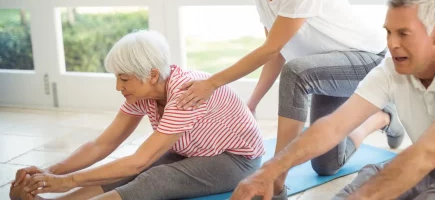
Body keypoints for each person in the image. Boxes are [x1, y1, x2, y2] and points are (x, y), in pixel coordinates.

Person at [176, 0, 405, 198]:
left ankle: (277, 180)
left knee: (296, 72)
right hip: (323, 70)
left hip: (368, 59)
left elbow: (272, 50)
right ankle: (384, 117)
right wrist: (252, 103)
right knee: (326, 164)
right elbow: (277, 51)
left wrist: (212, 82)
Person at [230, 0, 435, 200]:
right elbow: (335, 126)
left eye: (404, 33)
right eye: (389, 32)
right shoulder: (393, 67)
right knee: (367, 180)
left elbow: (429, 153)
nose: (392, 44)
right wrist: (269, 170)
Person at [9, 30, 264, 200]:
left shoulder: (184, 95)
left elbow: (139, 161)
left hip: (237, 161)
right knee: (120, 170)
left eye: (124, 79)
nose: (118, 87)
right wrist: (47, 173)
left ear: (152, 75)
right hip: (193, 152)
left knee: (154, 175)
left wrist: (67, 180)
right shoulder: (144, 94)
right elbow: (102, 144)